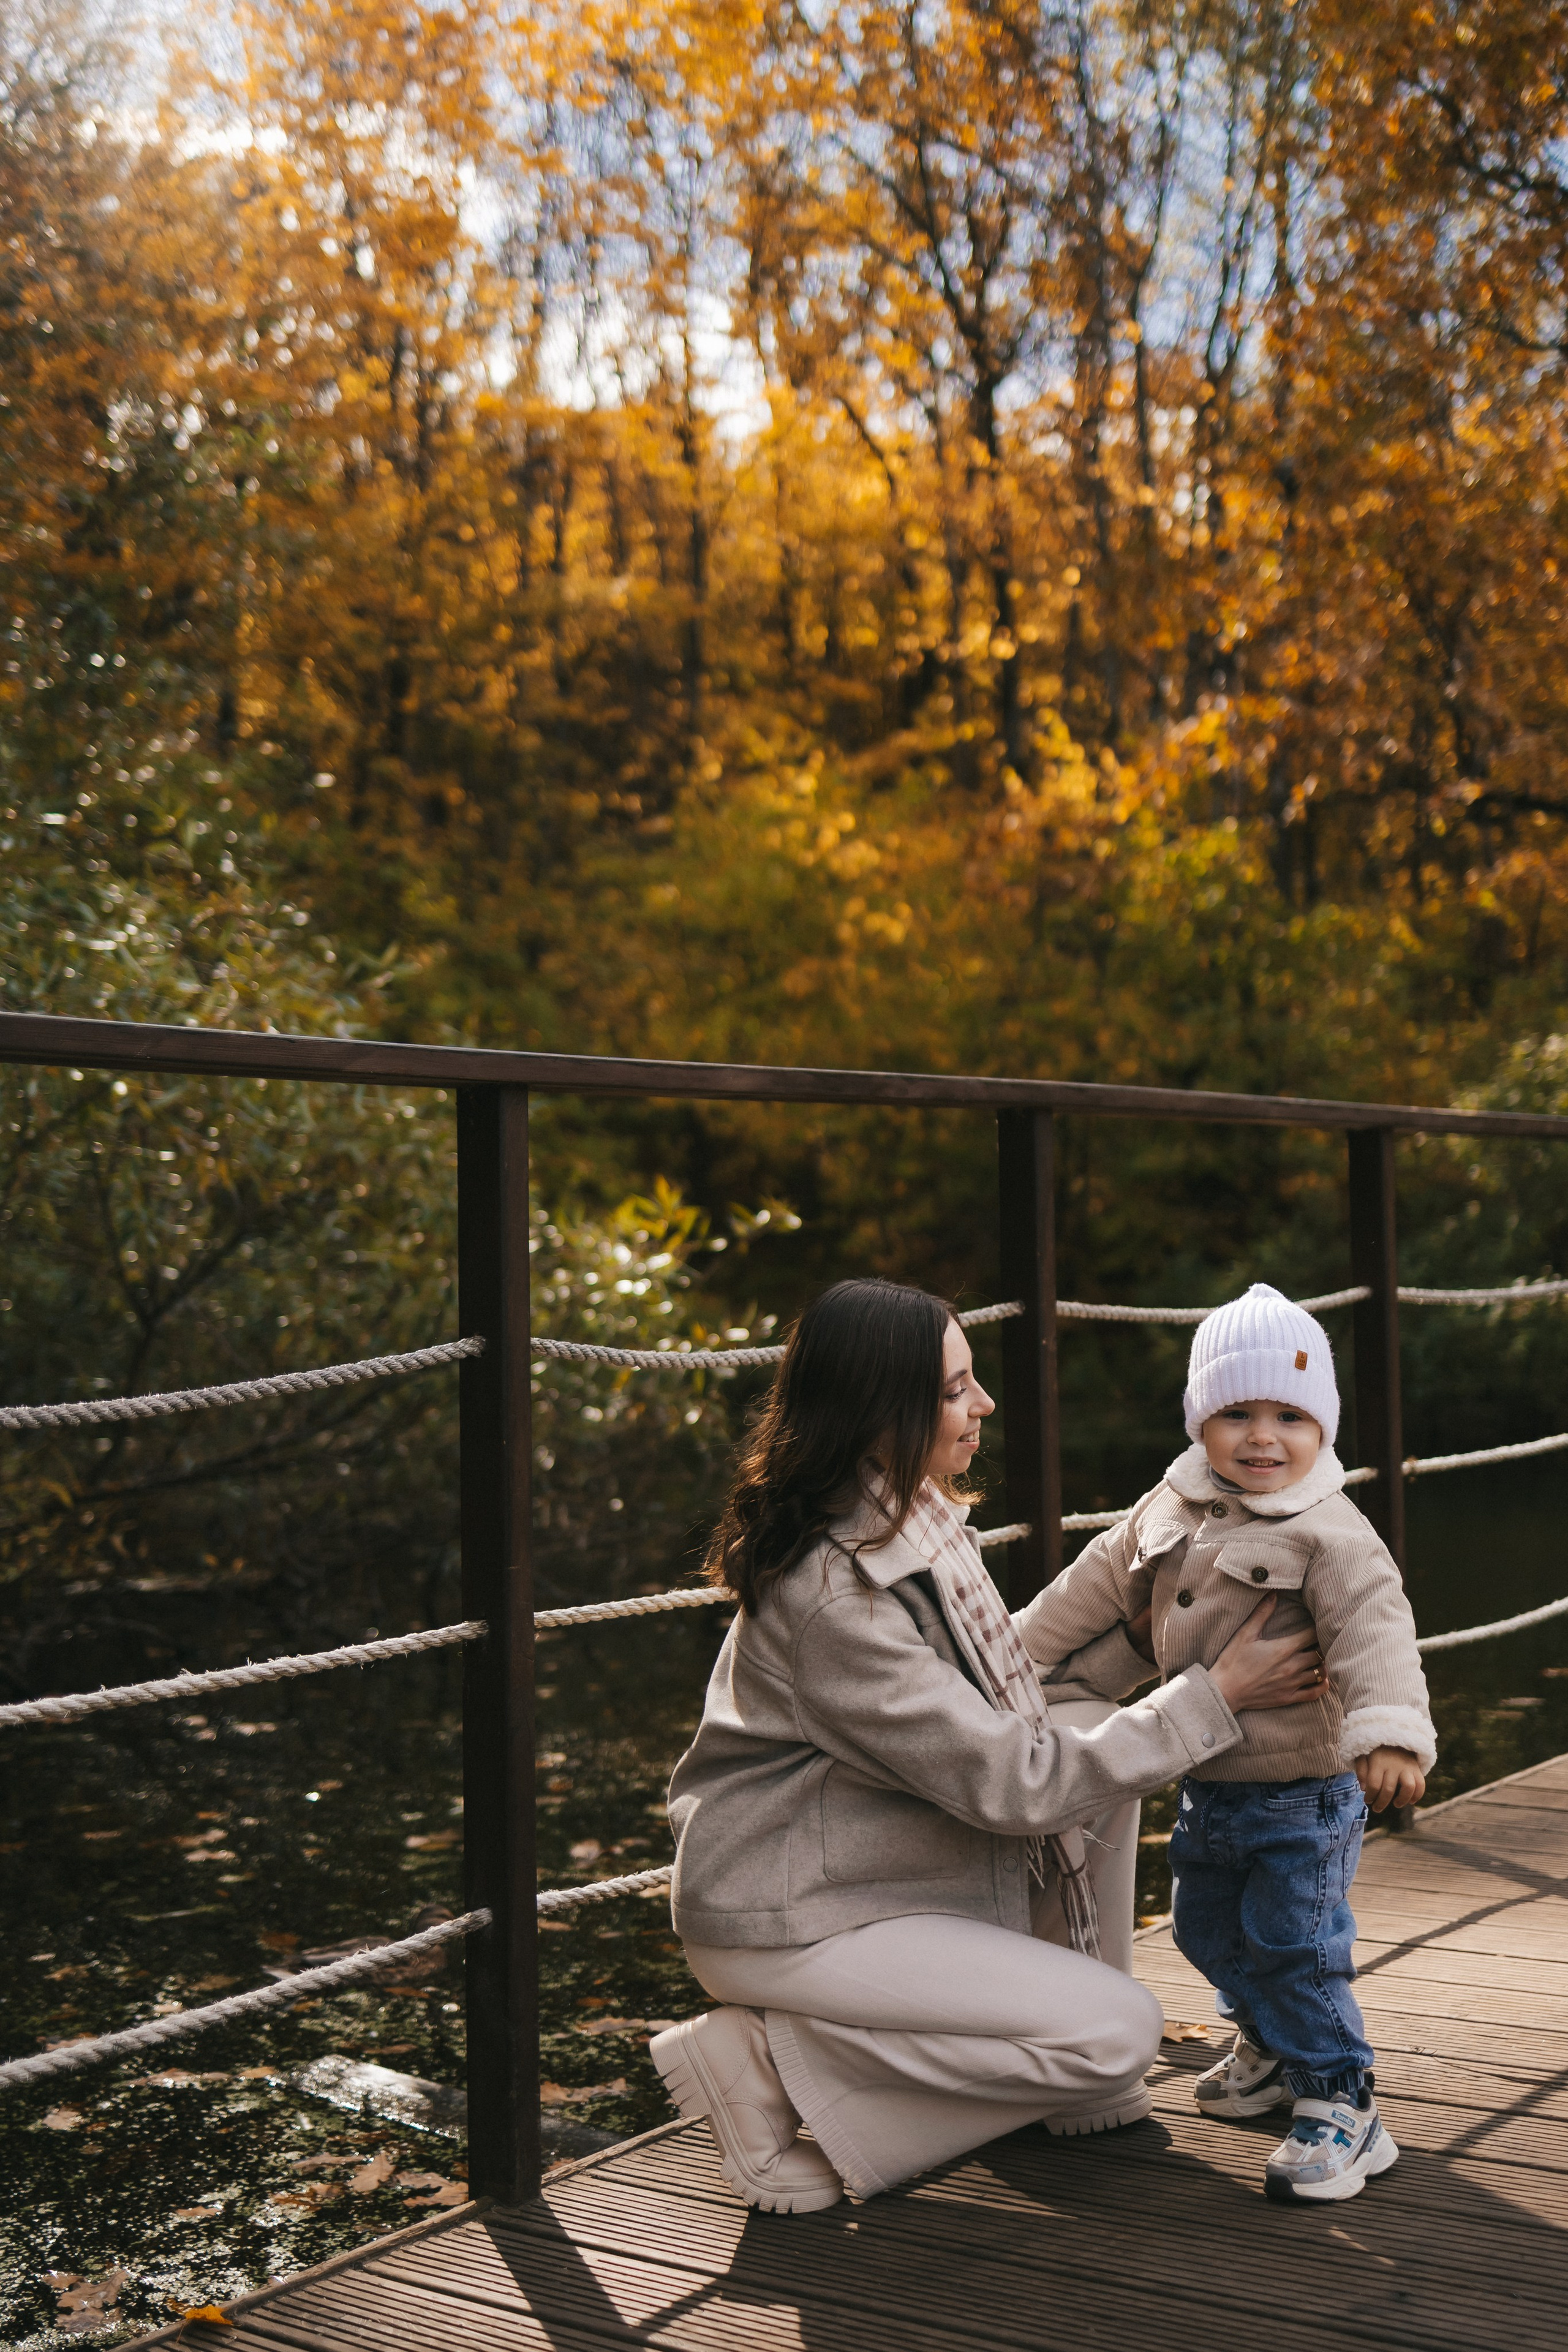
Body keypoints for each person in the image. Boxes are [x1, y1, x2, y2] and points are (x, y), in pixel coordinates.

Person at [650, 1278, 1326, 2213]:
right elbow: (1014, 1781)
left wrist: (1155, 1640)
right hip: (790, 1913)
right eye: (957, 1388)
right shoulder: (834, 1597)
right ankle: (769, 2060)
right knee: (1118, 2034)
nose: (985, 1404)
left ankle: (1068, 2067)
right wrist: (1217, 1694)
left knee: (1094, 1733)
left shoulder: (905, 1518)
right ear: (882, 1414)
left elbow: (998, 1685)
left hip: (877, 1866)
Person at [1018, 1283, 1436, 2204]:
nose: (1262, 1437)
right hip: (1209, 1782)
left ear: (1322, 1429)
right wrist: (1009, 1659)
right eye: (1236, 1413)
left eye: (1290, 1416)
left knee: (1294, 1944)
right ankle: (1272, 2048)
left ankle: (1342, 2102)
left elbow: (1378, 1633)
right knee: (1207, 1929)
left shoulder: (1334, 1533)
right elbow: (1086, 1592)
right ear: (1201, 1421)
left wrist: (1392, 1735)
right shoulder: (1168, 1507)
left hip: (1305, 1790)